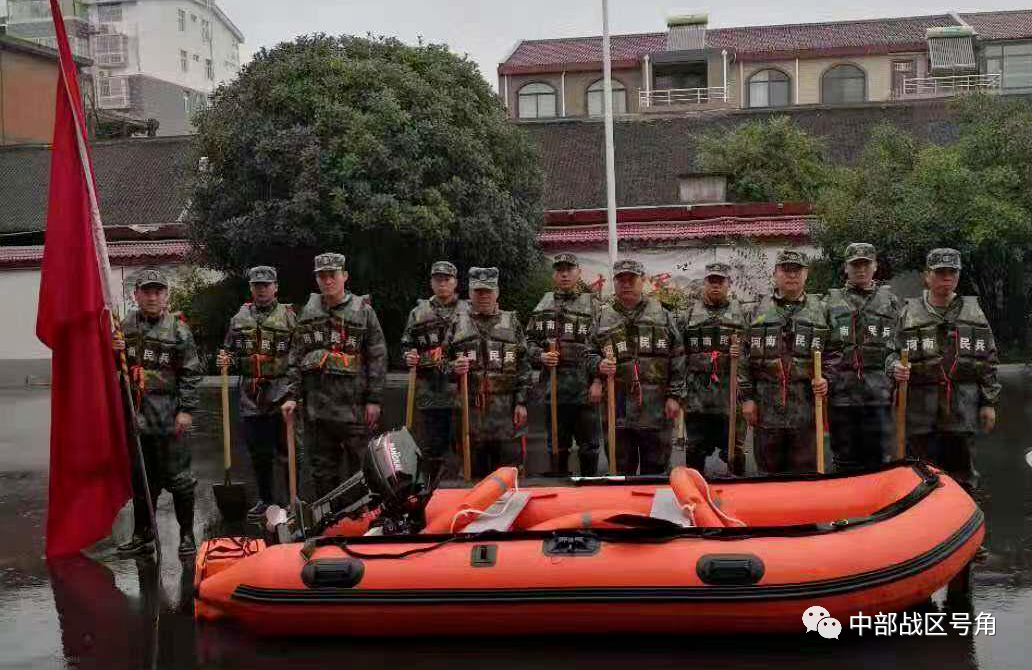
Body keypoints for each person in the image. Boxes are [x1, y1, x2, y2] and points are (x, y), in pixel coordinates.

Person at [887, 248, 999, 492]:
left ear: (958, 276)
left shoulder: (974, 313)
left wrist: (988, 403)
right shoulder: (908, 313)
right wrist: (895, 366)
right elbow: (890, 352)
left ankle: (962, 516)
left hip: (962, 405)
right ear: (927, 276)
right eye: (940, 273)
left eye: (951, 272)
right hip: (920, 409)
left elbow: (988, 359)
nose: (946, 278)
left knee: (962, 473)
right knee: (920, 472)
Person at [281, 253, 387, 498]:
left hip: (355, 408)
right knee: (322, 473)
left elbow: (377, 356)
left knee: (361, 469)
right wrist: (291, 396)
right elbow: (296, 358)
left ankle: (362, 524)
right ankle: (329, 527)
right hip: (317, 411)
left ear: (345, 276)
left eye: (333, 275)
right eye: (322, 276)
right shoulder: (307, 314)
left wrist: (374, 399)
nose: (328, 281)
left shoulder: (363, 312)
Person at [112, 268, 202, 557]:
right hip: (136, 416)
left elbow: (190, 372)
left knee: (180, 480)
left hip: (168, 414)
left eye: (158, 291)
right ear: (135, 295)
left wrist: (186, 410)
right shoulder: (123, 327)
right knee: (142, 480)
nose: (152, 297)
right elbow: (112, 371)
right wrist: (113, 351)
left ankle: (186, 535)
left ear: (166, 295)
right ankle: (144, 533)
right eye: (146, 291)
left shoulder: (178, 329)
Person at [585, 259, 685, 475]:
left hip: (656, 409)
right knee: (620, 471)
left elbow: (677, 357)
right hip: (617, 408)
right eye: (621, 280)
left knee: (656, 472)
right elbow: (588, 353)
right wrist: (598, 366)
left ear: (643, 281)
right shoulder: (602, 318)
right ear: (615, 283)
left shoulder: (663, 315)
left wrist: (674, 396)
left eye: (632, 279)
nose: (627, 284)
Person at [740, 250, 832, 474]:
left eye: (797, 270)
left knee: (805, 479)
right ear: (775, 274)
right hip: (766, 409)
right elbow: (743, 359)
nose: (792, 275)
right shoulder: (755, 312)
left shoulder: (822, 311)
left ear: (806, 274)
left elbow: (834, 353)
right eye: (785, 270)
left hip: (806, 410)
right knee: (768, 476)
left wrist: (827, 379)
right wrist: (747, 399)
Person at [216, 266, 296, 516]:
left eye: (266, 285)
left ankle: (292, 499)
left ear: (276, 287)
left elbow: (299, 356)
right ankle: (265, 499)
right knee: (258, 452)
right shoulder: (238, 319)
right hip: (250, 395)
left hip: (281, 391)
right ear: (251, 288)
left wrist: (294, 393)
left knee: (287, 451)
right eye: (257, 285)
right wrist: (223, 359)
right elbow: (228, 348)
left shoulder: (289, 318)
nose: (262, 289)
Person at [448, 267, 532, 478]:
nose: (484, 296)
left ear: (497, 292)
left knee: (508, 477)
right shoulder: (457, 323)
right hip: (470, 417)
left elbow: (524, 365)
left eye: (488, 291)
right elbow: (440, 363)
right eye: (478, 291)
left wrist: (522, 402)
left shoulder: (511, 322)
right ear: (470, 293)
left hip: (506, 417)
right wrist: (452, 368)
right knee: (472, 479)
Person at [825, 243, 901, 471]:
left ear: (875, 266)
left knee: (878, 458)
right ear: (845, 268)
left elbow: (901, 343)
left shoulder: (892, 302)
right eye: (855, 265)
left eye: (865, 264)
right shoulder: (828, 303)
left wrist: (897, 365)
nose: (861, 270)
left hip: (879, 394)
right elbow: (819, 346)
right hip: (841, 395)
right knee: (844, 460)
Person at [525, 253, 602, 476]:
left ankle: (590, 493)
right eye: (560, 270)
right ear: (554, 275)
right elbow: (528, 343)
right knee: (557, 445)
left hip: (585, 389)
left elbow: (603, 345)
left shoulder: (593, 304)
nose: (565, 274)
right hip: (554, 389)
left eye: (569, 269)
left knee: (589, 446)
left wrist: (597, 380)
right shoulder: (543, 304)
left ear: (579, 272)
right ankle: (559, 490)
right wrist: (541, 356)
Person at [400, 261, 467, 483]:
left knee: (462, 446)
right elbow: (406, 344)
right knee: (429, 449)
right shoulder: (419, 312)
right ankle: (430, 490)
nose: (442, 283)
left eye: (447, 279)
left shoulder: (468, 311)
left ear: (455, 282)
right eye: (438, 279)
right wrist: (408, 356)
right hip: (429, 394)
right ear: (431, 282)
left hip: (461, 394)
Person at [677, 262, 746, 475]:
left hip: (731, 398)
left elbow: (753, 352)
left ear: (729, 285)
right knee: (695, 450)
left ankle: (739, 499)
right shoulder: (687, 316)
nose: (716, 286)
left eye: (721, 281)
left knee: (735, 451)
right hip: (698, 399)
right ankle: (695, 500)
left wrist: (739, 353)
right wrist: (678, 392)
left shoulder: (743, 315)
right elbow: (678, 355)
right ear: (704, 284)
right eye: (711, 281)